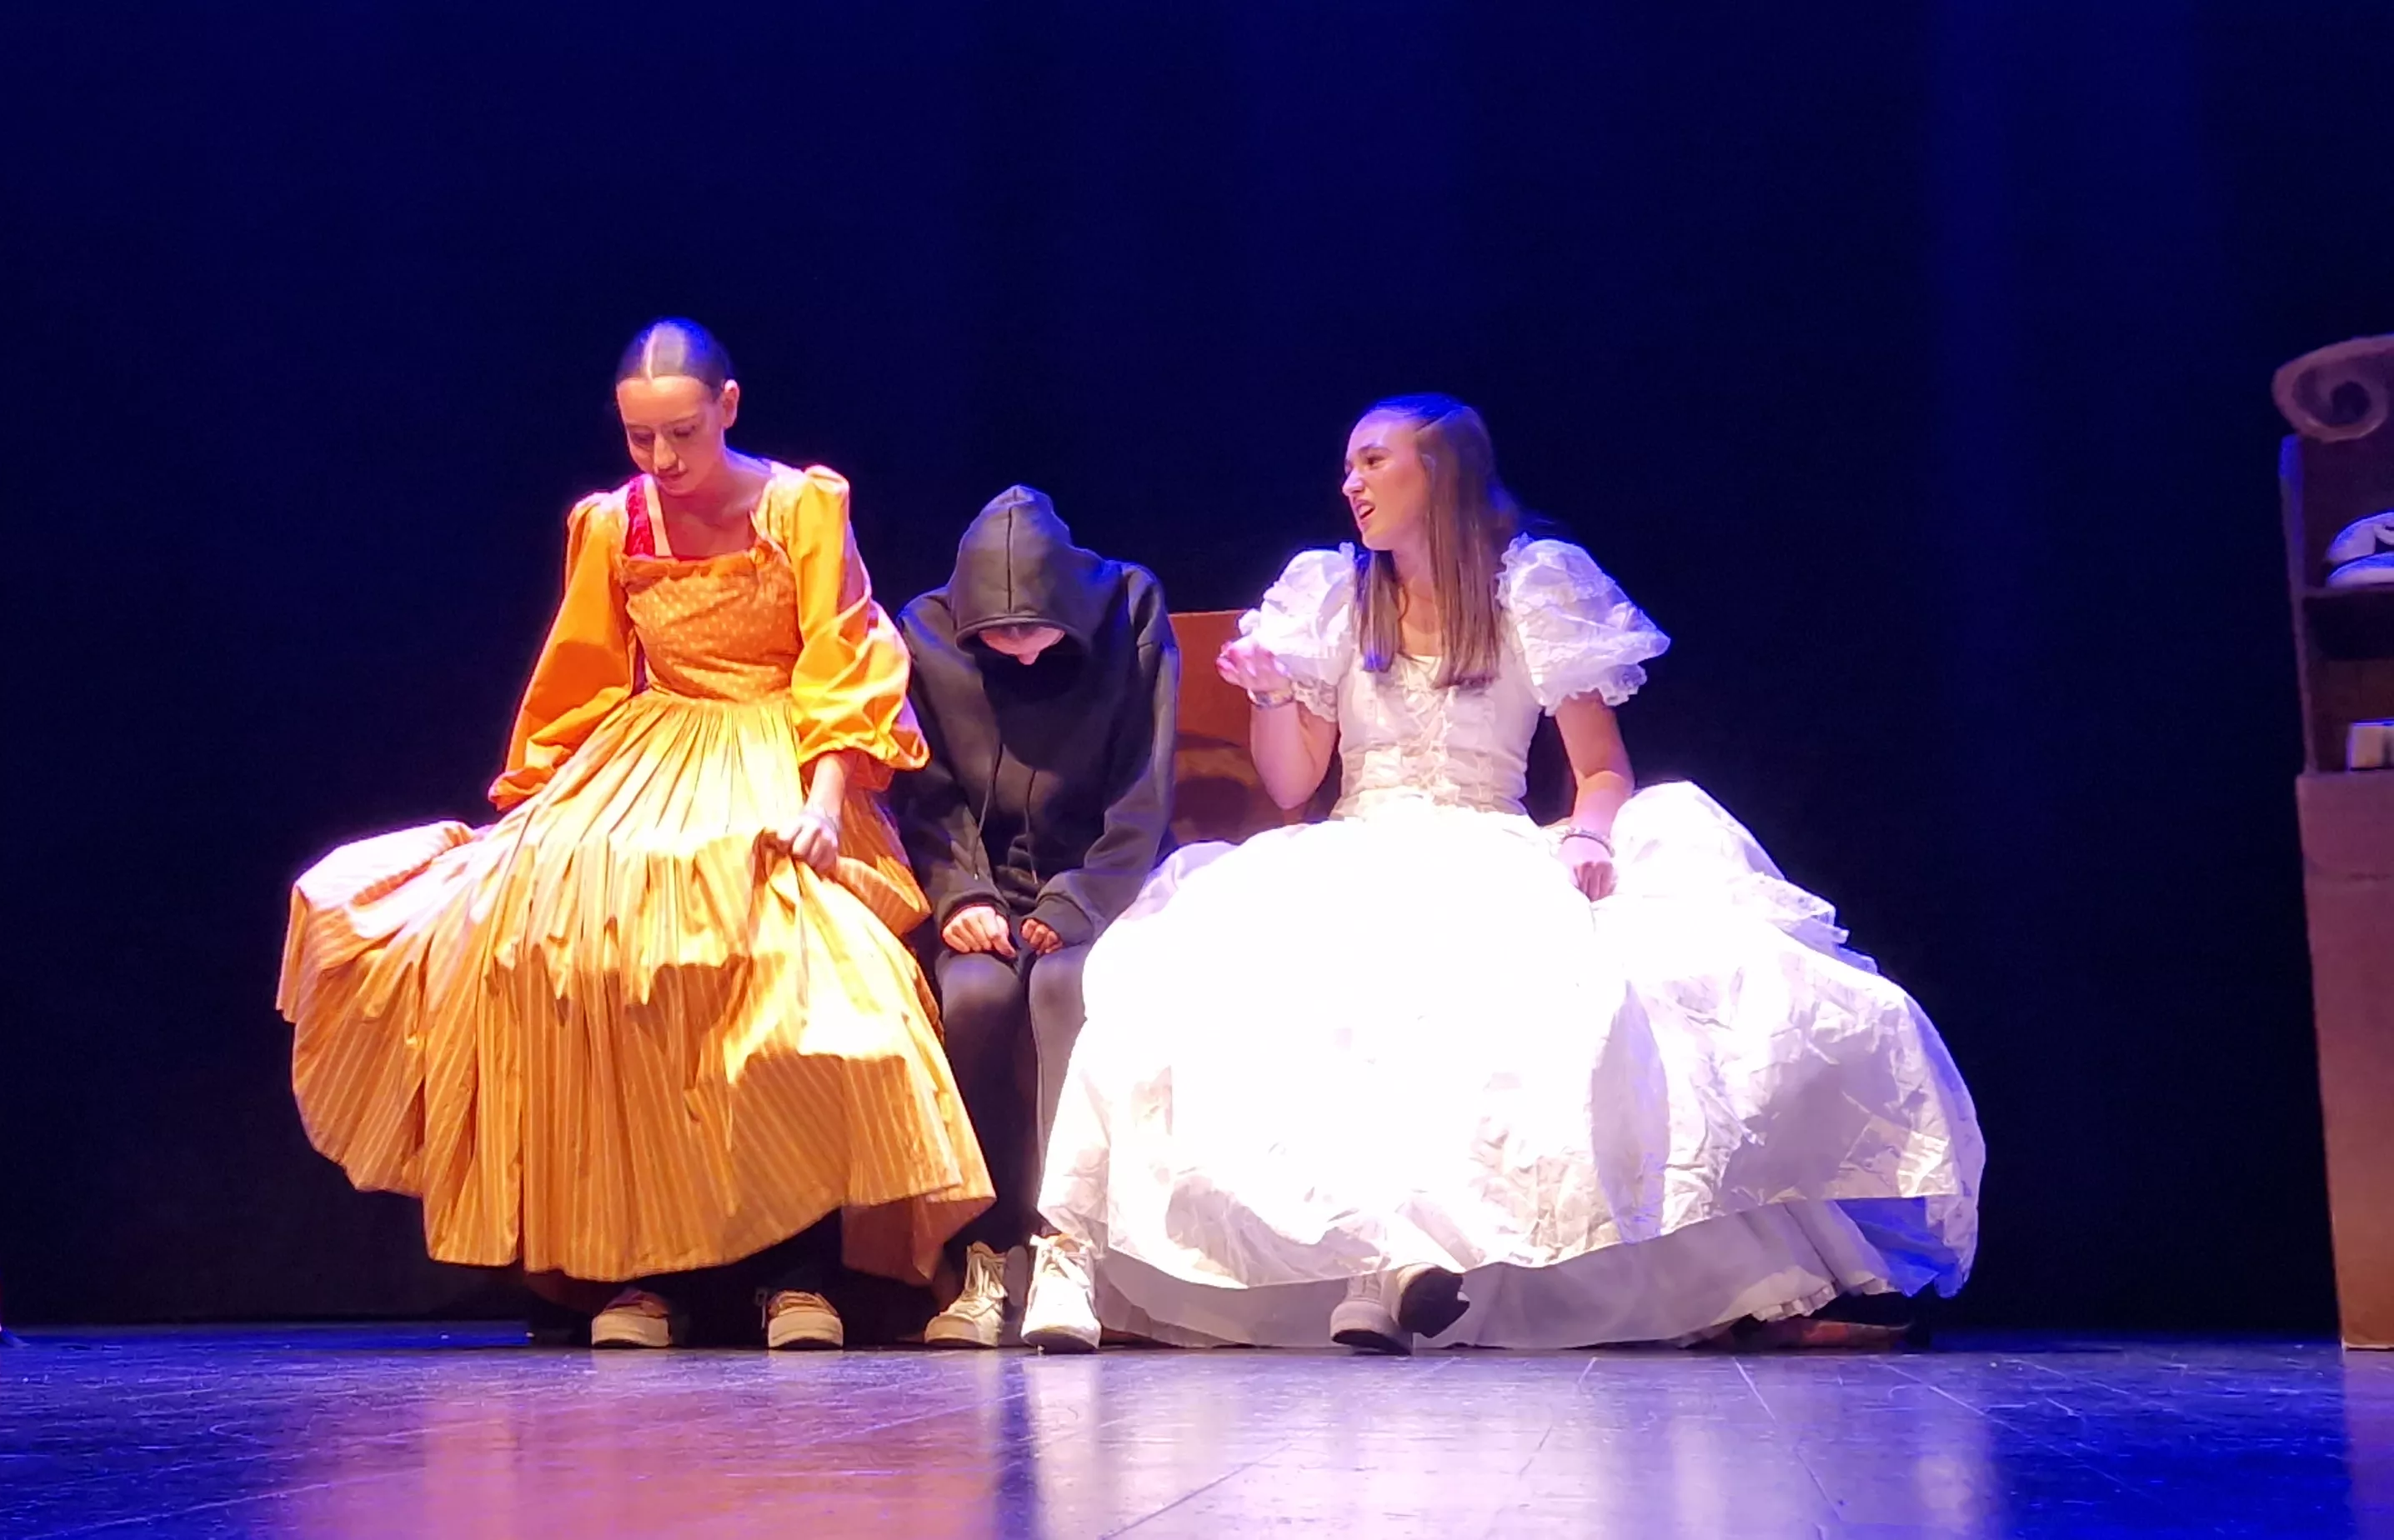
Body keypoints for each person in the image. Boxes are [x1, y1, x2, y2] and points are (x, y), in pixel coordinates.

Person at [1022, 393, 1985, 1354]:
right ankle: (1364, 1261)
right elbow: (1291, 780)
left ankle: (1406, 1266)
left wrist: (1591, 836)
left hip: (1490, 841)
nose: (1348, 483)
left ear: (1435, 471)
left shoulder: (1535, 588)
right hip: (1358, 840)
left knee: (1517, 1003)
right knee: (1280, 998)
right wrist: (1273, 689)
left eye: (1371, 461)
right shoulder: (1327, 592)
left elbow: (1602, 770)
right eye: (1348, 466)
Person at [280, 319, 990, 1352]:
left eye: (684, 435)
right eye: (641, 439)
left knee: (767, 948)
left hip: (776, 749)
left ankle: (792, 1272)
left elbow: (842, 663)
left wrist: (826, 802)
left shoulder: (800, 507)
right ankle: (637, 1269)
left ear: (729, 408)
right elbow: (579, 672)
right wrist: (534, 804)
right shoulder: (613, 524)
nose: (663, 461)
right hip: (647, 752)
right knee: (574, 935)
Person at [889, 487, 1177, 1348]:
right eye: (996, 637)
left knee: (1064, 987)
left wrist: (1080, 897)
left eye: (1032, 631)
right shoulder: (927, 628)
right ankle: (983, 1253)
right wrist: (960, 895)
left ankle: (1064, 1244)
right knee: (974, 999)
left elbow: (1142, 789)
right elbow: (926, 797)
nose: (1015, 653)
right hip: (981, 895)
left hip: (1100, 886)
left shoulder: (1130, 605)